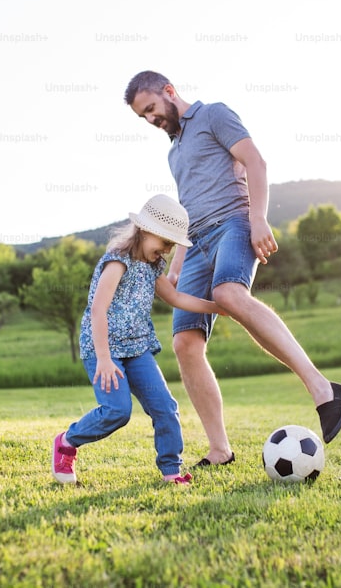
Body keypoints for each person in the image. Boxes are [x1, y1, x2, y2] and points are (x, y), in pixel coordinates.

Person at [124, 70, 341, 468]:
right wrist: (176, 265)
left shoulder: (214, 115)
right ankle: (219, 450)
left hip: (233, 223)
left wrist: (258, 218)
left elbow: (255, 162)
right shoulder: (173, 153)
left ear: (169, 92)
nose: (152, 121)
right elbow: (186, 214)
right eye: (144, 118)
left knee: (229, 294)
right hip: (195, 245)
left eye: (152, 110)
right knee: (185, 344)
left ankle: (323, 389)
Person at [52, 194, 228, 485]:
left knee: (165, 407)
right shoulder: (117, 261)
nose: (168, 252)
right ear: (146, 232)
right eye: (166, 243)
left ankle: (171, 472)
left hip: (137, 349)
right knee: (117, 412)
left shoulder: (152, 266)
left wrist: (218, 307)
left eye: (172, 246)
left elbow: (174, 297)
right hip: (104, 349)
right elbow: (98, 310)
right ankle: (67, 441)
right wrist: (105, 359)